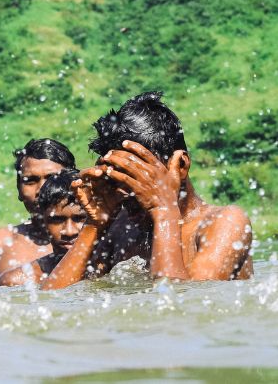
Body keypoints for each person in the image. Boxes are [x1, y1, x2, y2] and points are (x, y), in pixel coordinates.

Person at [41, 91, 253, 290]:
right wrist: (94, 225)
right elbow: (56, 302)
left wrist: (164, 210)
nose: (124, 192)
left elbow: (177, 310)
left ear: (180, 166)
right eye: (117, 179)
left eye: (137, 177)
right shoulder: (121, 230)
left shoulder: (223, 223)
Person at [0, 138, 76, 285]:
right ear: (18, 189)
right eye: (31, 180)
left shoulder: (97, 237)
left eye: (52, 178)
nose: (42, 189)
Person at [0, 169, 86, 285]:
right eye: (57, 220)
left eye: (80, 219)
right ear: (43, 221)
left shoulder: (113, 265)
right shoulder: (19, 281)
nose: (69, 232)